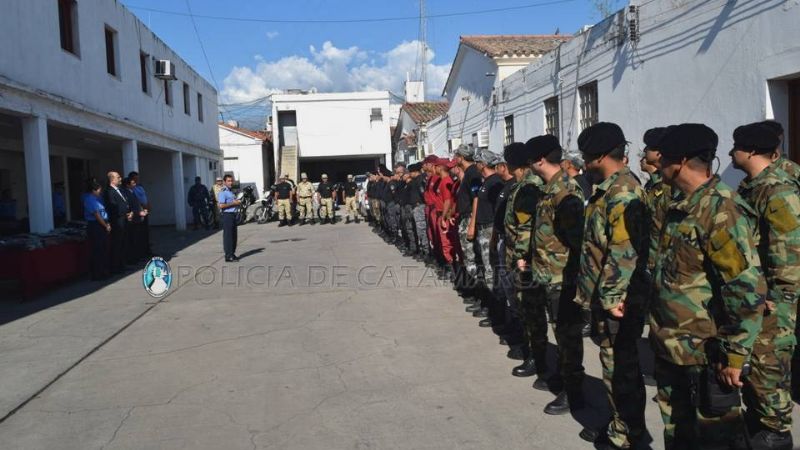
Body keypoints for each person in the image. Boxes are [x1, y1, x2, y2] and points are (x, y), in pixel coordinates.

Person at [650, 123, 767, 450]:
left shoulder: (721, 210)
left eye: (664, 159)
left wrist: (734, 355)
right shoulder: (680, 207)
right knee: (678, 433)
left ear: (682, 161)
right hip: (672, 347)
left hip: (706, 354)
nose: (658, 165)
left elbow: (745, 290)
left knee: (718, 439)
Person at [576, 122, 651, 449]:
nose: (583, 164)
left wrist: (609, 297)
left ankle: (627, 435)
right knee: (616, 367)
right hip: (608, 295)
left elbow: (624, 251)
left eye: (587, 158)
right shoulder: (609, 187)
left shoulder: (621, 192)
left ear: (602, 156)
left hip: (618, 299)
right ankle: (623, 423)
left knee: (621, 369)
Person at [730, 122, 799, 450]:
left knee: (770, 365)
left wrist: (777, 297)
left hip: (775, 298)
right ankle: (760, 420)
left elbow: (789, 250)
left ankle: (776, 432)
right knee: (758, 367)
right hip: (758, 293)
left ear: (751, 151)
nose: (732, 153)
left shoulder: (776, 189)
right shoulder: (752, 185)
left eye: (736, 147)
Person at [525, 134, 587, 415]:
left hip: (563, 280)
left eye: (530, 160)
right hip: (548, 276)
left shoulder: (565, 193)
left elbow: (578, 241)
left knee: (567, 338)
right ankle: (565, 381)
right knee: (561, 334)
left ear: (539, 160)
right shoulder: (550, 188)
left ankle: (573, 393)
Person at [503, 143, 546, 374]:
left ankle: (536, 358)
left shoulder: (529, 186)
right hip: (519, 254)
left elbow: (526, 226)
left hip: (526, 258)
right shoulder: (522, 184)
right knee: (524, 307)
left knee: (531, 310)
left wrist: (520, 257)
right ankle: (530, 349)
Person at [472, 149, 505, 327]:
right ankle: (492, 307)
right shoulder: (486, 182)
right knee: (486, 269)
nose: (476, 165)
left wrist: (493, 235)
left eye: (478, 162)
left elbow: (496, 210)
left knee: (491, 270)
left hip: (490, 229)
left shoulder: (495, 183)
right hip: (483, 229)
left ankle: (496, 311)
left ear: (482, 164)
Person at [451, 145, 484, 313]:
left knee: (472, 260)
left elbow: (476, 199)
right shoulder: (468, 173)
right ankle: (476, 294)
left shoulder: (472, 173)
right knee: (469, 258)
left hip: (469, 218)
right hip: (464, 218)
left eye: (456, 155)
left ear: (460, 157)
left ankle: (481, 297)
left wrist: (471, 224)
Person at [104, 171, 132, 274]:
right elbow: (113, 206)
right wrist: (125, 213)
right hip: (117, 221)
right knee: (117, 244)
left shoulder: (120, 190)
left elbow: (125, 203)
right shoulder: (109, 192)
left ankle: (122, 264)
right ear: (112, 179)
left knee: (123, 243)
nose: (120, 179)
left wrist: (129, 212)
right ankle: (116, 267)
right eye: (118, 177)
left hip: (124, 219)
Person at [82, 179, 110, 280]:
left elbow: (103, 213)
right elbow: (97, 215)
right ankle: (97, 273)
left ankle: (103, 271)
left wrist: (107, 223)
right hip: (95, 225)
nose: (100, 192)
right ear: (94, 190)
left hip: (101, 224)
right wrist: (105, 225)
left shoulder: (98, 199)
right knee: (97, 250)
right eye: (99, 190)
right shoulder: (90, 199)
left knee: (103, 249)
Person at [123, 177, 148, 263]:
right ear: (128, 185)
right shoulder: (126, 193)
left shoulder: (132, 192)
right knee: (132, 239)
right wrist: (138, 212)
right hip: (133, 219)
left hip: (137, 218)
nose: (135, 184)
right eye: (133, 183)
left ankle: (137, 256)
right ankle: (132, 258)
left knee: (137, 238)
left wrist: (142, 210)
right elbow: (130, 207)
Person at [217, 174, 241, 262]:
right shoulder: (222, 192)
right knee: (228, 236)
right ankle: (228, 255)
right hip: (227, 215)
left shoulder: (230, 191)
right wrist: (234, 204)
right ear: (224, 182)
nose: (231, 182)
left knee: (234, 236)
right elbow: (221, 205)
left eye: (231, 181)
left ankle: (232, 253)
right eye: (228, 181)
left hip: (233, 215)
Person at [129, 171, 153, 255]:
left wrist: (148, 206)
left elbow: (145, 197)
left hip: (145, 211)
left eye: (138, 178)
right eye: (135, 178)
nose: (137, 180)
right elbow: (137, 201)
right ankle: (140, 252)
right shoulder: (131, 189)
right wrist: (143, 208)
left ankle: (147, 250)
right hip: (139, 212)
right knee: (139, 233)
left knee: (146, 232)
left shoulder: (140, 187)